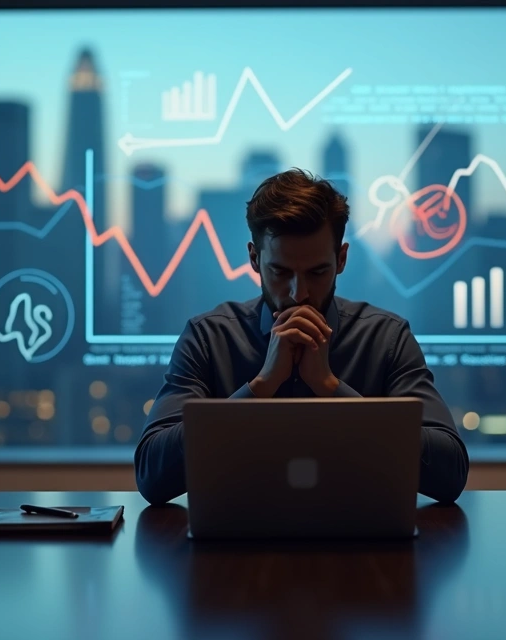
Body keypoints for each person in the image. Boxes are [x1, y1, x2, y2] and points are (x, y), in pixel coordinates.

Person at [134, 168, 470, 505]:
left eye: (317, 272)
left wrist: (330, 387)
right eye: (280, 272)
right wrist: (261, 386)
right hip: (234, 551)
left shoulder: (387, 338)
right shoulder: (208, 337)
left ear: (341, 259)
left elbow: (450, 472)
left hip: (363, 551)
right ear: (254, 258)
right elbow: (152, 475)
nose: (299, 294)